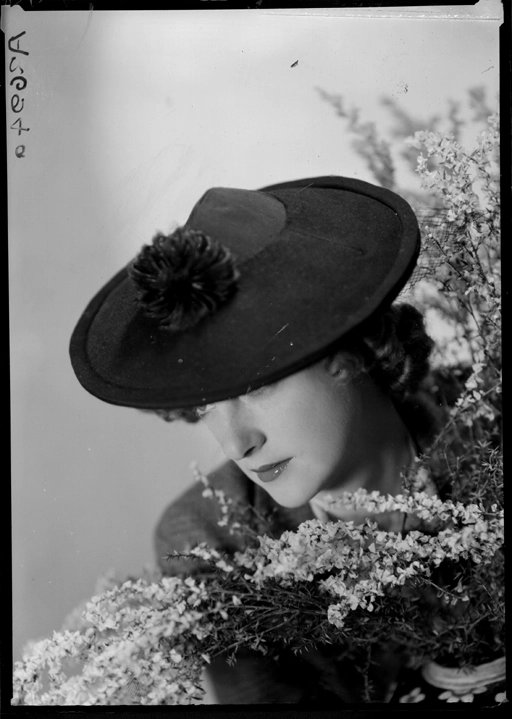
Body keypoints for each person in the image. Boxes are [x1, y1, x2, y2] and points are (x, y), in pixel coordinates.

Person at [69, 176, 441, 703]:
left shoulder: (482, 432)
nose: (236, 444)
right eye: (204, 404)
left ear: (345, 349)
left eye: (255, 386)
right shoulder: (208, 538)